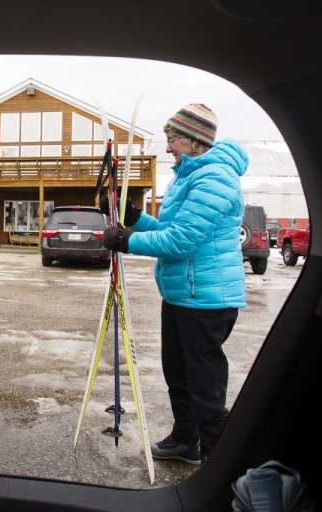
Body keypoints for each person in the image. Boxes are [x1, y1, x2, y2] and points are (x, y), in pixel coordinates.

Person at [102, 103, 249, 464]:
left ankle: (221, 464)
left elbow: (179, 241)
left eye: (174, 140)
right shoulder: (189, 174)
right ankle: (186, 440)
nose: (168, 148)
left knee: (205, 390)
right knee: (178, 375)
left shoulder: (215, 177)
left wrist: (125, 241)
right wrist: (136, 220)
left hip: (207, 301)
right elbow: (169, 230)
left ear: (196, 141)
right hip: (183, 296)